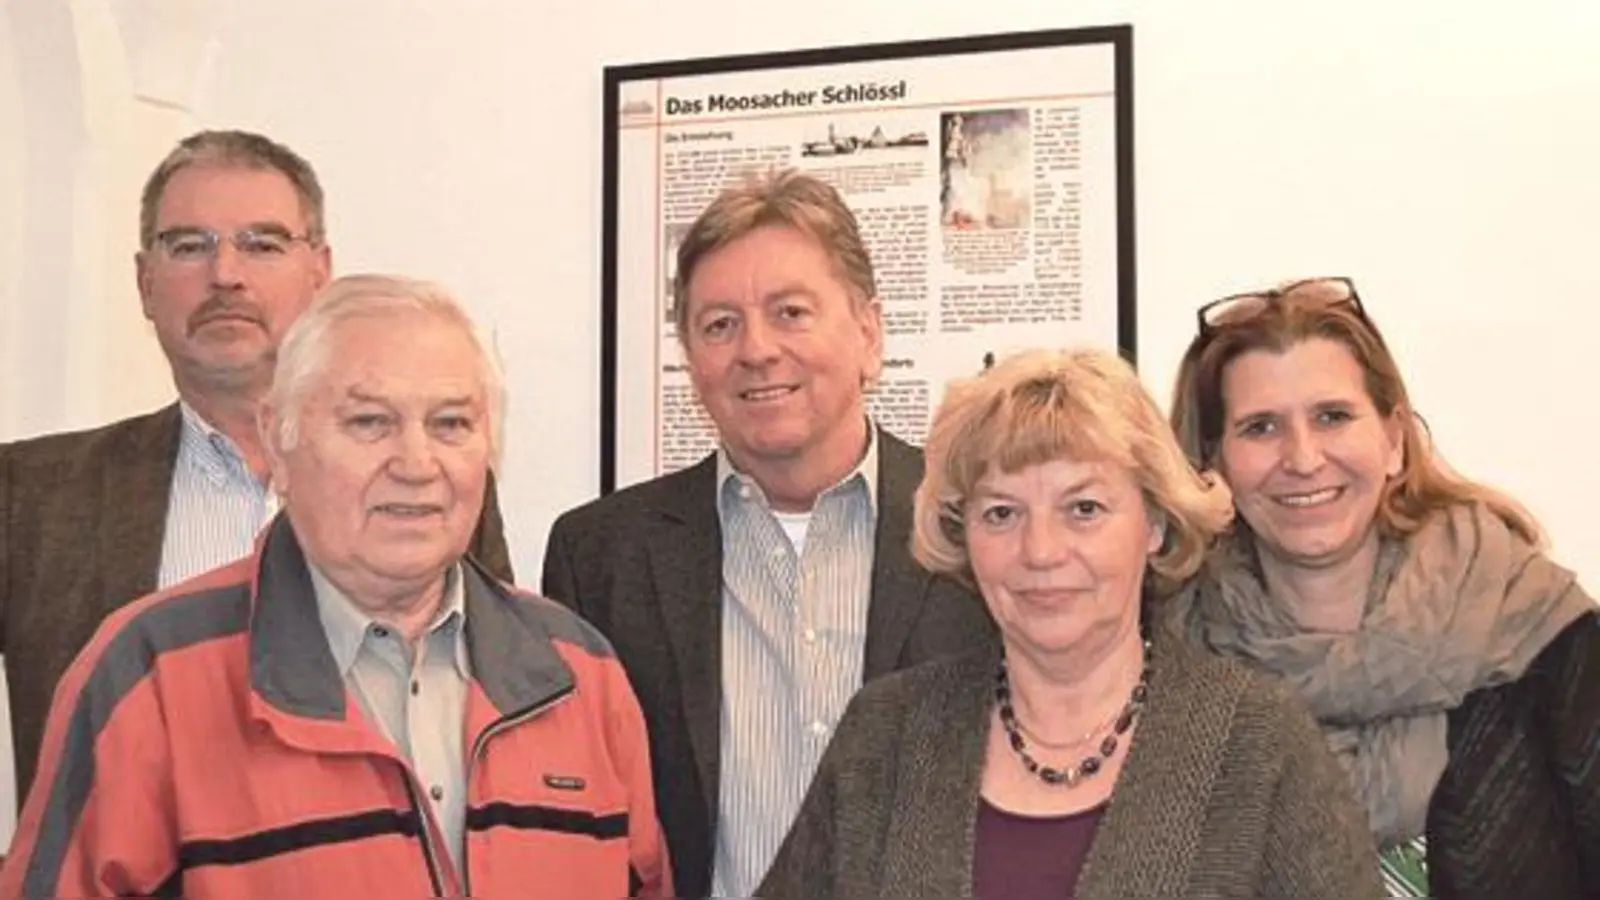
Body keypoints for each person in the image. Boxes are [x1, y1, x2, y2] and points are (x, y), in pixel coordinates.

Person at [0, 275, 669, 899]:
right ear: (279, 441)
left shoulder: (581, 671)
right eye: (369, 422)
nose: (416, 464)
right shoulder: (151, 675)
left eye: (451, 424)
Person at [0, 130, 515, 806]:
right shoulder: (32, 495)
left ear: (319, 273)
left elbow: (490, 713)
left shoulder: (423, 487)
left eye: (262, 244)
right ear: (144, 283)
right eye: (189, 245)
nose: (225, 275)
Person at [758, 347, 1384, 900]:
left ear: (1156, 524)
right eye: (1002, 513)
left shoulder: (1258, 744)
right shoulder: (886, 736)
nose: (1041, 551)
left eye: (1083, 508)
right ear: (964, 535)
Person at [542, 168, 995, 898]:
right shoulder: (601, 556)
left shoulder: (977, 528)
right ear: (692, 359)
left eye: (790, 312)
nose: (755, 349)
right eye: (720, 324)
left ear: (869, 335)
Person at [1166, 276, 1600, 897]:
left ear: (1394, 441)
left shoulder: (1541, 635)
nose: (1304, 458)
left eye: (1333, 416)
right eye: (1261, 427)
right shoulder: (1169, 672)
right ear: (1212, 464)